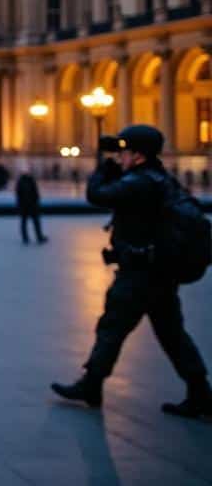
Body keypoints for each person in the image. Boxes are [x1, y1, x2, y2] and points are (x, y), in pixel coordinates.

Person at [52, 125, 212, 418]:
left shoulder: (140, 182)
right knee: (172, 334)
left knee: (112, 327)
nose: (120, 156)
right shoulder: (161, 178)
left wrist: (101, 168)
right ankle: (201, 392)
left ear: (138, 155)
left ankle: (91, 384)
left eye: (124, 152)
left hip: (139, 274)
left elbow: (96, 195)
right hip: (160, 272)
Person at [15, 171, 47, 245]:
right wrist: (36, 201)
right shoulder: (31, 181)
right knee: (35, 222)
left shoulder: (20, 182)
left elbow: (18, 195)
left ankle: (25, 238)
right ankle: (39, 237)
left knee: (24, 222)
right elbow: (35, 193)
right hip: (32, 205)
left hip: (24, 206)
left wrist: (19, 205)